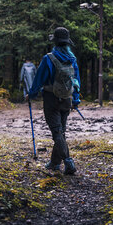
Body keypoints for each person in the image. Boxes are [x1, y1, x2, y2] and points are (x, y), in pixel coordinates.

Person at [27, 27, 81, 175]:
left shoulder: (48, 58)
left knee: (57, 132)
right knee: (61, 132)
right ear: (67, 43)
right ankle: (55, 163)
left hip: (51, 99)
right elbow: (76, 81)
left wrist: (31, 94)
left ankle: (68, 162)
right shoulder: (72, 59)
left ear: (55, 42)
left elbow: (39, 79)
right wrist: (76, 99)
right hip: (67, 100)